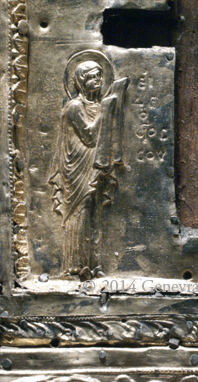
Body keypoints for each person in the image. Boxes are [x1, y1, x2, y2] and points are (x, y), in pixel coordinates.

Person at [49, 59, 128, 280]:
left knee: (95, 214)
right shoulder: (74, 107)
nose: (98, 81)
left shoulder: (97, 104)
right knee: (80, 214)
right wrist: (106, 109)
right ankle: (74, 267)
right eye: (92, 77)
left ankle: (93, 265)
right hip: (76, 169)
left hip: (94, 165)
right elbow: (90, 135)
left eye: (99, 76)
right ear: (81, 82)